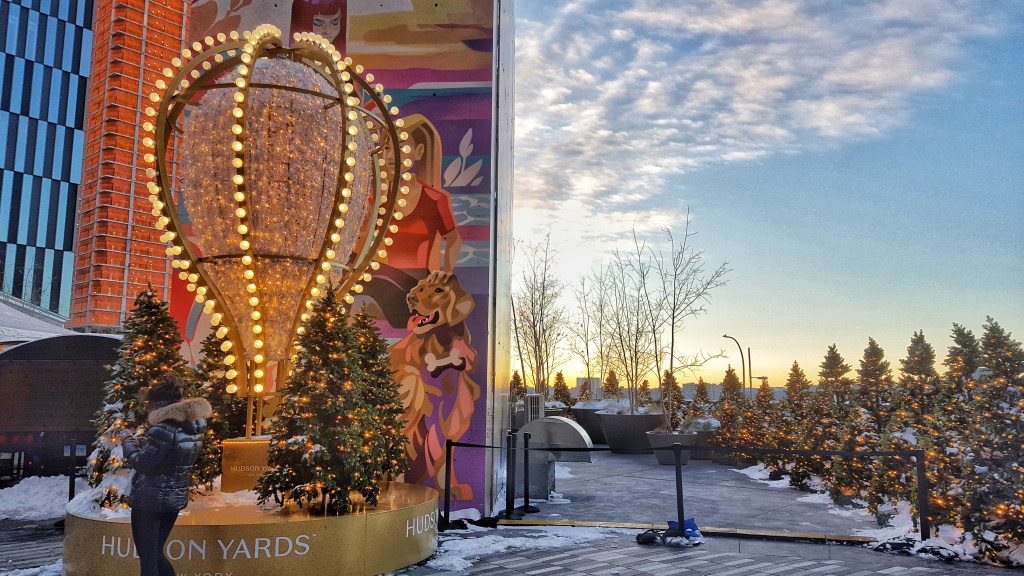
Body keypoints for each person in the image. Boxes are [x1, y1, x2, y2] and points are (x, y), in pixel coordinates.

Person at [122, 376, 211, 576]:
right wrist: (148, 444)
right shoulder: (193, 428)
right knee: (155, 554)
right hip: (172, 500)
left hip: (149, 503)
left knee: (149, 561)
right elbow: (174, 456)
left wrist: (127, 441)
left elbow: (142, 463)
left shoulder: (162, 428)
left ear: (157, 403)